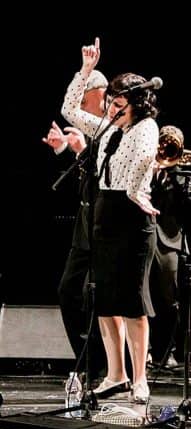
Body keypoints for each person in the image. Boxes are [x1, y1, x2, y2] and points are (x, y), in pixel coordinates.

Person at [61, 37, 161, 404]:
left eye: (119, 105)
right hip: (105, 212)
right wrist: (85, 70)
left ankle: (140, 378)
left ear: (136, 104)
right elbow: (69, 109)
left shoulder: (145, 127)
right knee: (105, 300)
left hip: (133, 215)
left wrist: (135, 191)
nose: (112, 109)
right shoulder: (108, 129)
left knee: (132, 302)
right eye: (111, 103)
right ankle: (116, 373)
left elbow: (144, 158)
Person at [42, 69, 109, 383]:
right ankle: (88, 364)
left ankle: (106, 368)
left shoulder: (110, 126)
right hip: (85, 229)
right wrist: (64, 149)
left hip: (108, 228)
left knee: (100, 298)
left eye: (85, 100)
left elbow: (105, 176)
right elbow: (79, 185)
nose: (81, 106)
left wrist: (81, 151)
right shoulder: (87, 128)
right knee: (69, 292)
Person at [147, 128, 191, 371]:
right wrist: (153, 168)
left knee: (169, 300)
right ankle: (145, 351)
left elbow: (189, 201)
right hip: (143, 236)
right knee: (140, 297)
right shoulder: (145, 168)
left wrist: (173, 168)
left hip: (169, 241)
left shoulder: (188, 175)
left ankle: (167, 351)